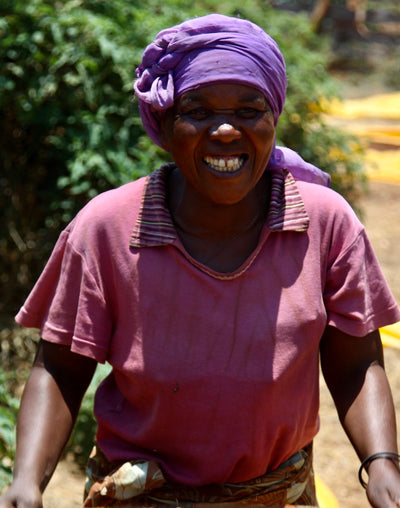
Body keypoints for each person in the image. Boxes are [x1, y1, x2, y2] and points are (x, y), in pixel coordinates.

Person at [1, 13, 400, 508]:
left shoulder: (324, 224)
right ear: (165, 125)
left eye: (249, 110)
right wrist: (25, 482)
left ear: (273, 118)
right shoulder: (107, 228)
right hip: (143, 494)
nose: (227, 129)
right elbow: (61, 369)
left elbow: (356, 363)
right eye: (199, 110)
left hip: (278, 494)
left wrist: (381, 464)